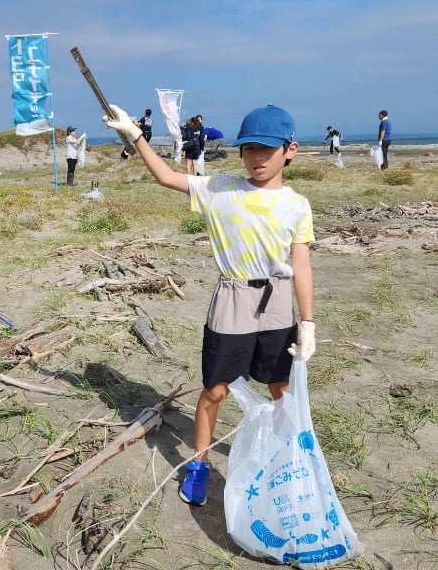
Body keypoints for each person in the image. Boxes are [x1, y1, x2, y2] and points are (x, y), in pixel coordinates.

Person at [103, 103, 316, 506]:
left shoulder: (297, 204)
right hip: (232, 299)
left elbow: (301, 266)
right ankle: (198, 464)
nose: (256, 157)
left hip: (277, 303)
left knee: (281, 387)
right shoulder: (220, 189)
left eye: (267, 148)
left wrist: (307, 322)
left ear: (290, 150)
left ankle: (288, 456)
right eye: (249, 148)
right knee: (216, 389)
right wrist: (136, 136)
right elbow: (166, 176)